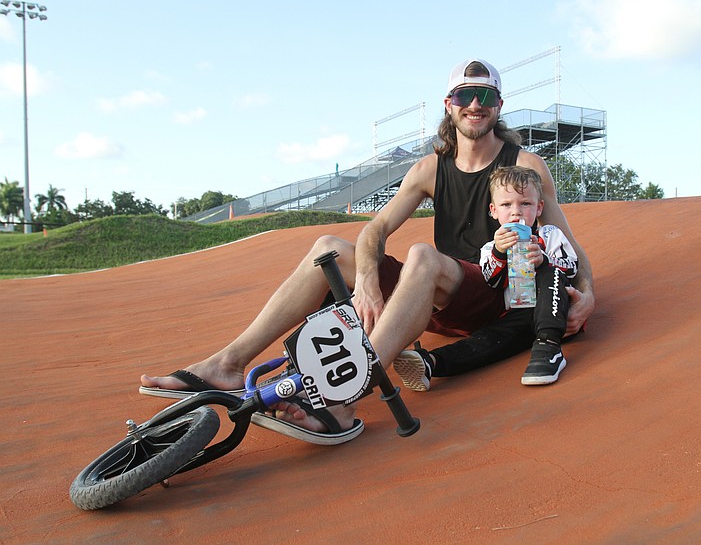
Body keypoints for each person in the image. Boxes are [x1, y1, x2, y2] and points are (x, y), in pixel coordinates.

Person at [140, 58, 595, 443]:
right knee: (327, 248)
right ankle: (227, 365)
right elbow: (374, 230)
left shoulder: (524, 166)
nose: (475, 105)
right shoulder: (427, 170)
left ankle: (342, 401)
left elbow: (566, 243)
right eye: (464, 96)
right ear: (449, 105)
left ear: (499, 106)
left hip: (493, 294)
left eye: (486, 97)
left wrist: (587, 293)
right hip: (433, 298)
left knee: (420, 253)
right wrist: (367, 283)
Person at [393, 165, 578, 389]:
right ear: (493, 210)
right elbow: (492, 282)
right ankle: (432, 362)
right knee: (490, 339)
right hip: (521, 315)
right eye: (506, 204)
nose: (516, 212)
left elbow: (571, 268)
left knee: (549, 272)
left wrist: (544, 259)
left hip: (556, 313)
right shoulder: (490, 247)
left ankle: (549, 348)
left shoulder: (550, 235)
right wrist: (500, 253)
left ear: (539, 208)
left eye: (525, 203)